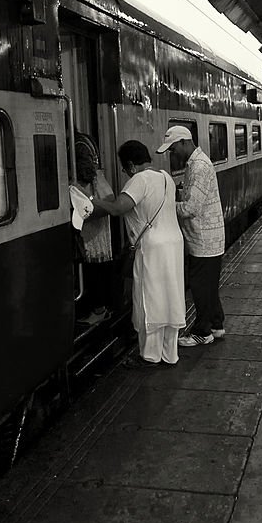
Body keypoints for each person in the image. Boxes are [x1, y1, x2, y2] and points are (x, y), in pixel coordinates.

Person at [92, 140, 185, 367]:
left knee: (149, 298)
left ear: (131, 165)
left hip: (152, 248)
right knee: (170, 296)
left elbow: (117, 208)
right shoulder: (166, 178)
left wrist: (91, 202)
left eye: (124, 169)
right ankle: (169, 354)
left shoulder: (139, 180)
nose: (125, 173)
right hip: (173, 244)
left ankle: (150, 356)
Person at [156, 126, 227, 347]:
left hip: (204, 239)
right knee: (208, 285)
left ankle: (202, 332)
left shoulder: (199, 167)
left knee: (200, 286)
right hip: (206, 236)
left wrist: (164, 204)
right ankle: (216, 325)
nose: (172, 153)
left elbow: (190, 208)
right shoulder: (196, 163)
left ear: (186, 142)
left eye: (174, 148)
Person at [73, 127, 113, 316]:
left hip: (89, 206)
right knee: (97, 259)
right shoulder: (86, 140)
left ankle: (97, 309)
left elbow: (86, 174)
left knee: (90, 257)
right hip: (98, 210)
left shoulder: (77, 144)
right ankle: (100, 307)